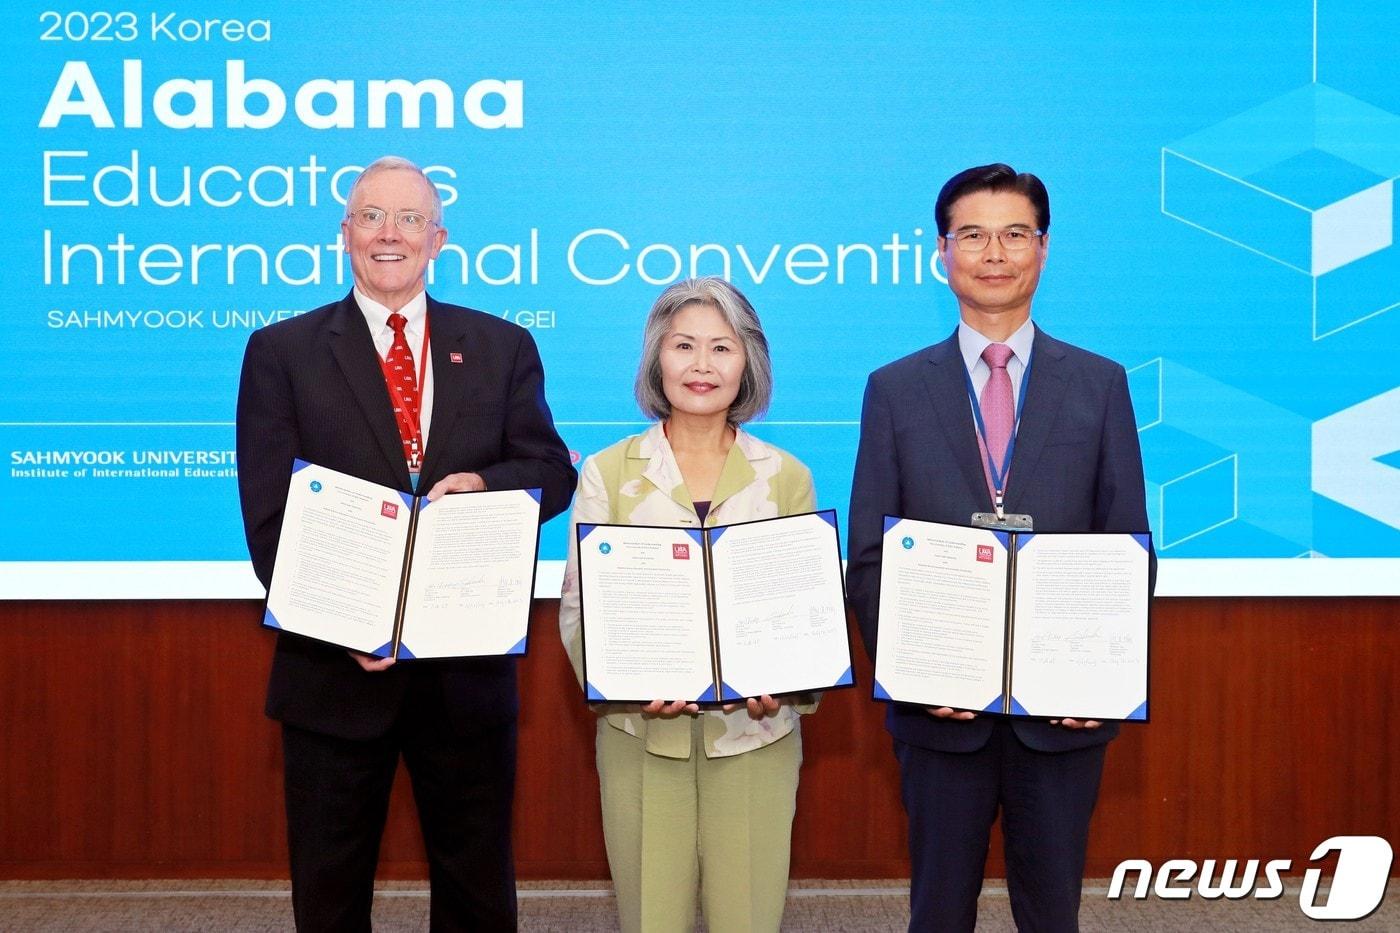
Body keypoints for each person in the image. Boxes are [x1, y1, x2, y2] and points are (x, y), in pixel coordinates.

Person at [235, 155, 576, 932]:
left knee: (477, 890)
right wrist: (346, 624)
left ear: (439, 238)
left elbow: (551, 472)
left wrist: (485, 486)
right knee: (329, 892)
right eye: (371, 217)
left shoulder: (502, 345)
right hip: (333, 675)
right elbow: (269, 522)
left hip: (465, 675)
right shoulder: (280, 352)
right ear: (344, 233)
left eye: (409, 219)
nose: (390, 234)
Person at [846, 163, 1155, 932]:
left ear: (1043, 250)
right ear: (940, 253)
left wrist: (1097, 676)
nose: (994, 252)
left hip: (1063, 709)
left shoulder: (1100, 383)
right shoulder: (893, 387)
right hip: (938, 707)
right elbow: (870, 558)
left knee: (1052, 911)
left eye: (1015, 234)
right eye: (972, 235)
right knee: (938, 909)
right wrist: (915, 672)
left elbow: (1128, 547)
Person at [558, 277, 817, 933]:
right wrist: (625, 681)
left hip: (756, 735)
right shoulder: (609, 473)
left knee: (749, 918)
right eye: (684, 346)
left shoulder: (786, 475)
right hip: (642, 737)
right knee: (652, 919)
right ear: (657, 358)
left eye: (722, 348)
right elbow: (578, 607)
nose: (702, 365)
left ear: (747, 362)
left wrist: (787, 682)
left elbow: (806, 612)